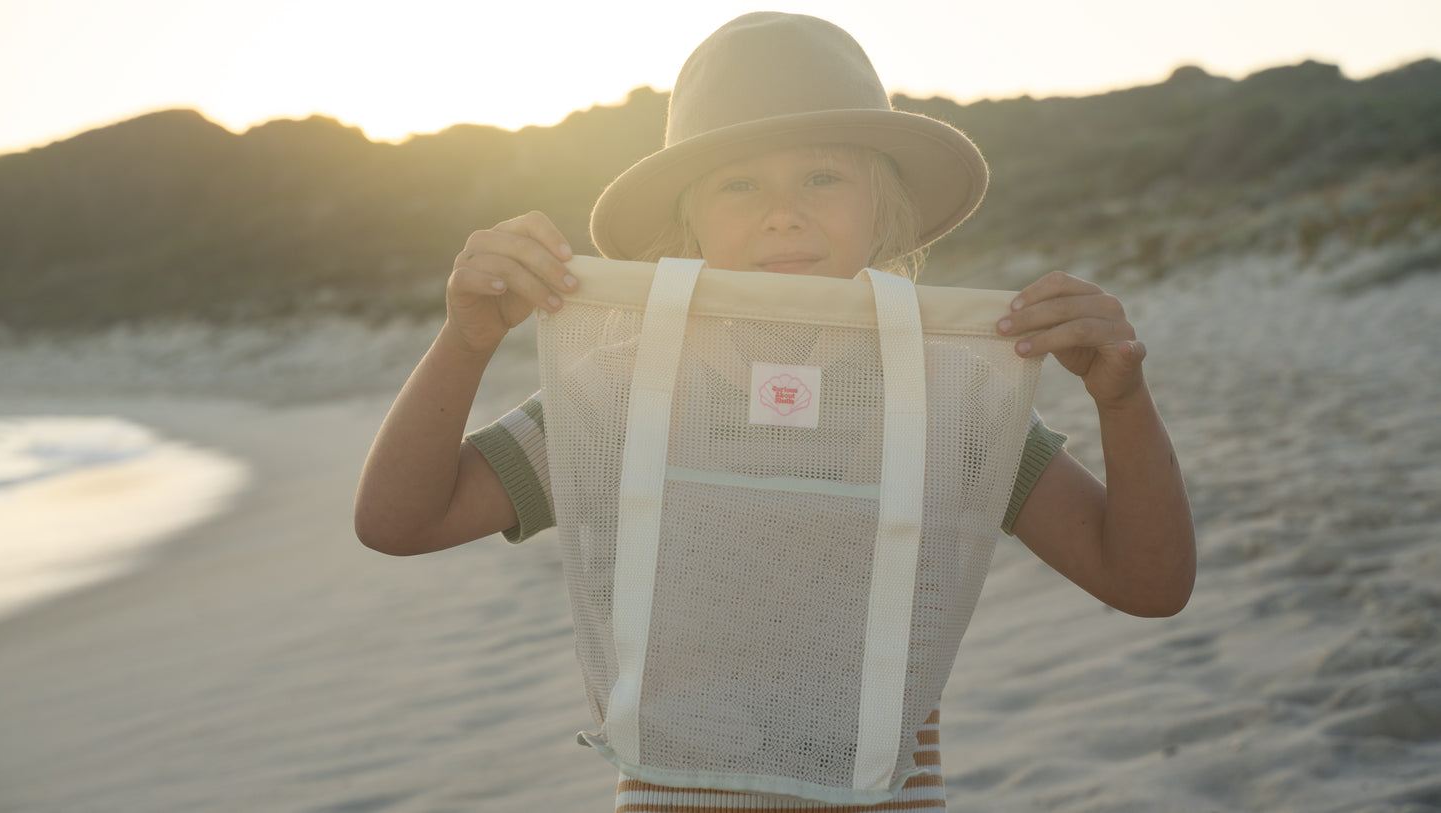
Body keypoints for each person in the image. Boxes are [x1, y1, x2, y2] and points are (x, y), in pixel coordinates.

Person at [354, 11, 1195, 811]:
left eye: (822, 176)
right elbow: (401, 519)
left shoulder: (948, 399)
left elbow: (1147, 583)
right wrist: (465, 342)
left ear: (884, 207)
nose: (782, 211)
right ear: (687, 221)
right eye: (739, 182)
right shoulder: (626, 389)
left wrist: (1121, 400)